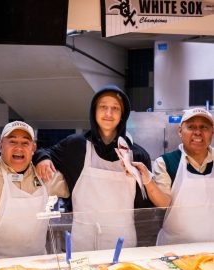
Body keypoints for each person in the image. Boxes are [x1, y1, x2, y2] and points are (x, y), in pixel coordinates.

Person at [33, 84, 152, 251]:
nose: (108, 113)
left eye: (115, 108)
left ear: (123, 115)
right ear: (94, 111)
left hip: (123, 243)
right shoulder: (75, 146)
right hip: (83, 241)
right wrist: (43, 158)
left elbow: (145, 208)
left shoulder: (137, 155)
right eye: (103, 107)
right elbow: (44, 152)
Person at [0, 120, 69, 259]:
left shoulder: (45, 173)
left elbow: (77, 188)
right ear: (0, 145)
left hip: (37, 262)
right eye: (12, 142)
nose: (19, 148)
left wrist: (44, 156)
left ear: (33, 148)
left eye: (25, 143)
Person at [134, 107, 214, 246]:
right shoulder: (166, 162)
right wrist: (147, 179)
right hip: (174, 246)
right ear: (180, 131)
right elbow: (164, 203)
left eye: (204, 127)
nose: (198, 132)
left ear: (212, 132)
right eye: (191, 127)